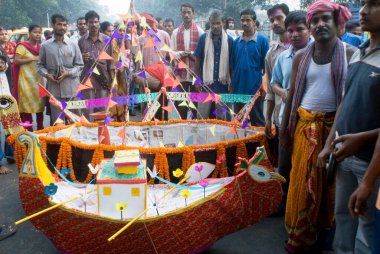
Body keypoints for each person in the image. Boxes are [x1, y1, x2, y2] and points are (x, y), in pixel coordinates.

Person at [280, 1, 356, 252]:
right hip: (303, 127)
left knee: (330, 186)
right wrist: (284, 128)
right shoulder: (301, 56)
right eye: (316, 20)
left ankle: (324, 234)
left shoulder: (349, 54)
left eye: (326, 19)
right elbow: (292, 94)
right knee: (300, 183)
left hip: (334, 129)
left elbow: (349, 100)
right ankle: (300, 237)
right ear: (311, 27)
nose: (320, 24)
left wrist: (332, 139)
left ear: (338, 23)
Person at [318, 0, 380, 252]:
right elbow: (344, 102)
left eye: (373, 4)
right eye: (363, 4)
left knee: (367, 228)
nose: (363, 11)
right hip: (343, 155)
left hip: (372, 163)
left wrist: (367, 181)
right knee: (342, 217)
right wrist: (327, 144)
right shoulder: (359, 52)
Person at [270, 10, 310, 216]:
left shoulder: (318, 54)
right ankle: (283, 204)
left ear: (309, 29)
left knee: (304, 167)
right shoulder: (283, 57)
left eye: (300, 30)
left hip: (309, 122)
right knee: (284, 166)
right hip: (285, 118)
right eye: (291, 30)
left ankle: (302, 207)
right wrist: (283, 93)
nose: (294, 35)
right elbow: (273, 82)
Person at [38, 14, 84, 124]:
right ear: (53, 25)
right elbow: (40, 66)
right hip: (54, 90)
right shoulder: (45, 46)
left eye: (64, 25)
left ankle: (75, 141)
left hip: (72, 89)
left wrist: (68, 73)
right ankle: (59, 141)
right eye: (59, 24)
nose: (62, 27)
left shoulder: (73, 44)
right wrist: (47, 75)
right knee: (58, 122)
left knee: (75, 121)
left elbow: (80, 65)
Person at [230, 9, 269, 127]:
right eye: (242, 20)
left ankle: (259, 145)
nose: (245, 23)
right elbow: (232, 66)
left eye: (248, 20)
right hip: (238, 89)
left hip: (255, 89)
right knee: (239, 122)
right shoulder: (236, 42)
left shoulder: (262, 41)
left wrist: (264, 88)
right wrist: (232, 85)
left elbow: (266, 68)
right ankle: (241, 145)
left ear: (254, 22)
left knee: (258, 122)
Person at [194, 11, 233, 120]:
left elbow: (231, 64)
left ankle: (222, 137)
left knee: (222, 117)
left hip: (223, 85)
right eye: (213, 24)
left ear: (223, 23)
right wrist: (197, 80)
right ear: (210, 24)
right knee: (201, 116)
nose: (215, 26)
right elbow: (197, 61)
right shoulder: (203, 39)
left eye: (218, 23)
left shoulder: (229, 40)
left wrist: (232, 83)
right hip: (205, 85)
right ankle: (201, 137)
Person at [78, 10, 115, 119]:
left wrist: (112, 81)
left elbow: (111, 63)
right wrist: (82, 57)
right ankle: (89, 134)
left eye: (95, 22)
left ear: (99, 23)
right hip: (86, 81)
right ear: (87, 23)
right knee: (88, 112)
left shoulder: (107, 40)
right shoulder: (81, 41)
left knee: (102, 111)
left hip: (103, 80)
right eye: (90, 22)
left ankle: (102, 135)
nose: (93, 25)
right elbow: (77, 62)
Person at [171, 3, 204, 119]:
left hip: (195, 73)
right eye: (184, 12)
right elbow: (171, 53)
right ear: (181, 14)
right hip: (181, 74)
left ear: (193, 14)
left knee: (195, 103)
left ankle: (194, 127)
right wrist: (181, 54)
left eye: (189, 12)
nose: (186, 15)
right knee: (182, 104)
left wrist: (190, 54)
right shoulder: (175, 32)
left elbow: (202, 53)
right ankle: (182, 126)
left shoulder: (200, 32)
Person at [13, 24, 44, 131]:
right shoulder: (22, 46)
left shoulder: (41, 47)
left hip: (38, 81)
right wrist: (32, 58)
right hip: (25, 81)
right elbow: (16, 61)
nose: (37, 34)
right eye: (35, 32)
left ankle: (40, 129)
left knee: (40, 106)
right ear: (29, 33)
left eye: (39, 32)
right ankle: (28, 130)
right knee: (26, 107)